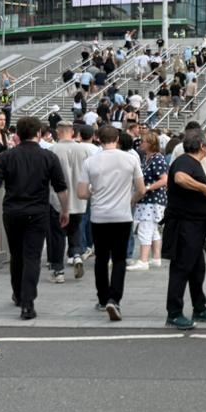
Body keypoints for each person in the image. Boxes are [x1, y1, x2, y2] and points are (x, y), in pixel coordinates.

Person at [0, 117, 69, 321]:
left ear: (17, 135)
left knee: (17, 255)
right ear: (39, 133)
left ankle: (18, 294)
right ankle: (28, 303)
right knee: (32, 256)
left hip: (12, 211)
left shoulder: (6, 157)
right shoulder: (48, 157)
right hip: (38, 212)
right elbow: (61, 188)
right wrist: (65, 210)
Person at [76, 124, 145, 322]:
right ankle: (114, 299)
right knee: (120, 259)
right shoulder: (131, 159)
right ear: (118, 139)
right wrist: (131, 199)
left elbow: (81, 193)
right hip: (122, 215)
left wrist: (93, 192)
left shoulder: (90, 162)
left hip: (99, 215)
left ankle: (102, 297)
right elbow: (141, 189)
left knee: (101, 258)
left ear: (98, 138)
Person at [163, 127, 206, 328]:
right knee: (181, 268)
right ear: (202, 147)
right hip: (184, 225)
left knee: (197, 268)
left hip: (196, 225)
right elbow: (180, 178)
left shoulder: (192, 163)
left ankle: (199, 307)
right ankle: (174, 311)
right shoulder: (185, 161)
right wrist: (204, 187)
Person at [45, 123, 91, 282]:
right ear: (72, 132)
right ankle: (76, 254)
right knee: (75, 228)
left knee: (57, 235)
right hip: (79, 199)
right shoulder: (83, 150)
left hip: (57, 199)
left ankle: (58, 270)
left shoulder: (52, 150)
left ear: (58, 132)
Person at [130, 132, 168, 271]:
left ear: (151, 144)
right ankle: (156, 257)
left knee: (145, 228)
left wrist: (147, 188)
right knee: (152, 229)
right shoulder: (149, 158)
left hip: (152, 199)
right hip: (152, 199)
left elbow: (164, 179)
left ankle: (143, 260)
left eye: (144, 141)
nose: (141, 143)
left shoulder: (157, 159)